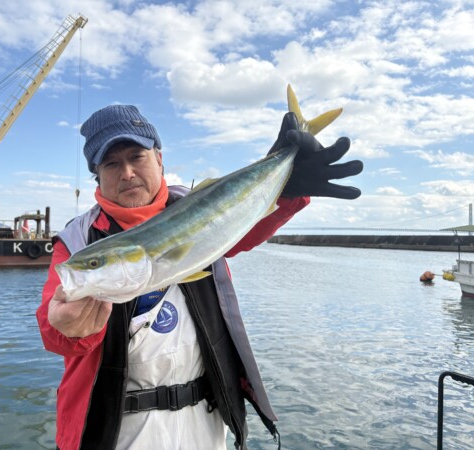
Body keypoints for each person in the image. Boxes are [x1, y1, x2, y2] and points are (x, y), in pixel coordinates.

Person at [36, 104, 363, 450]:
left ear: (159, 159)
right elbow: (54, 324)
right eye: (112, 164)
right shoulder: (78, 243)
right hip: (116, 427)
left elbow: (245, 224)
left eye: (137, 157)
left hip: (204, 420)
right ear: (97, 175)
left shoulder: (198, 205)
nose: (128, 173)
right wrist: (67, 328)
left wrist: (287, 188)